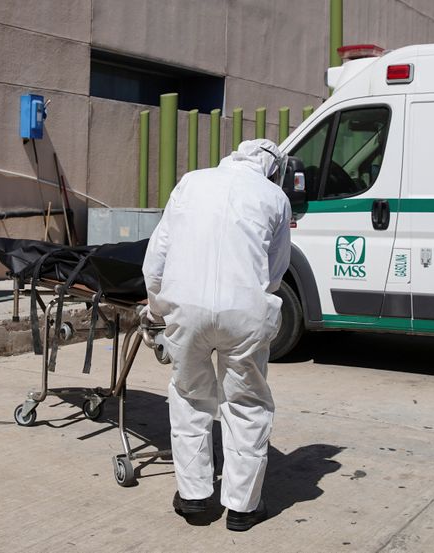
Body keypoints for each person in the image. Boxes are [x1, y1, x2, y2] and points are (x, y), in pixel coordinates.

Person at [141, 138, 292, 531]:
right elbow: (274, 272)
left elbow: (157, 255)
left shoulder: (191, 182)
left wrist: (157, 307)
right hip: (244, 314)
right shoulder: (274, 197)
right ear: (272, 168)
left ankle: (195, 499)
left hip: (185, 309)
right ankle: (242, 507)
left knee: (191, 398)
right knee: (246, 403)